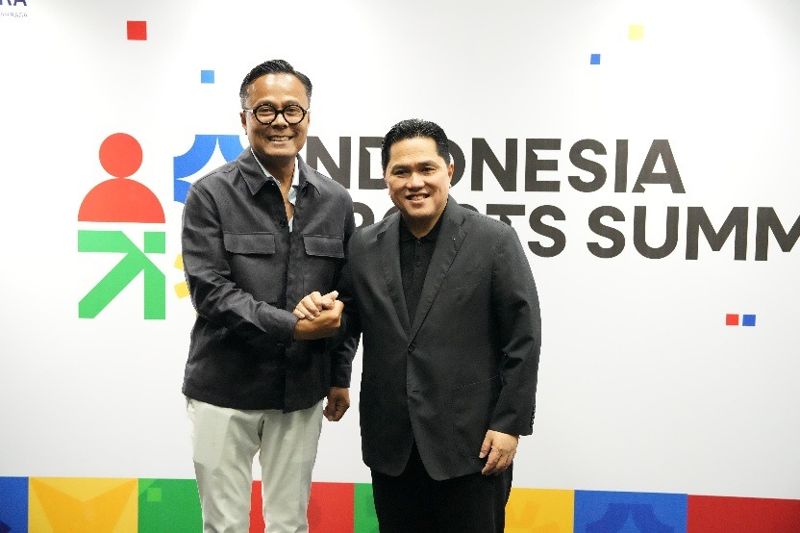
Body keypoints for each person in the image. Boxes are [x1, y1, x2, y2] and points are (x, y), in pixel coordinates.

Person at [296, 118, 541, 532]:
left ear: (449, 170)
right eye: (401, 171)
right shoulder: (364, 244)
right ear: (386, 179)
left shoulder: (494, 240)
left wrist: (509, 424)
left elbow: (523, 337)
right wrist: (336, 370)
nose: (415, 182)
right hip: (391, 443)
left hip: (472, 444)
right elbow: (348, 318)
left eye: (426, 169)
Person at [181, 59, 355, 533]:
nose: (280, 121)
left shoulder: (335, 200)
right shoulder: (210, 195)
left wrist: (338, 374)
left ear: (308, 118)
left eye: (292, 110)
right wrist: (293, 327)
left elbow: (347, 295)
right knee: (224, 526)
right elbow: (211, 292)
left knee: (289, 524)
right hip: (223, 388)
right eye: (265, 110)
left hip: (301, 389)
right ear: (244, 119)